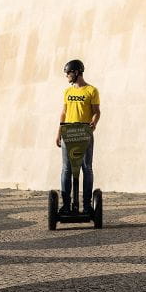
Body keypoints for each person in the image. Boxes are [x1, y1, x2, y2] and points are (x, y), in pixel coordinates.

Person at [55, 59, 100, 215]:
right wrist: (59, 132)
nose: (67, 76)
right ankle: (66, 205)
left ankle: (87, 205)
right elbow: (63, 113)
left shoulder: (91, 90)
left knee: (86, 168)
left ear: (76, 72)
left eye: (68, 73)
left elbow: (96, 111)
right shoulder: (67, 92)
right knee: (66, 169)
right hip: (69, 132)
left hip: (84, 132)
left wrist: (93, 123)